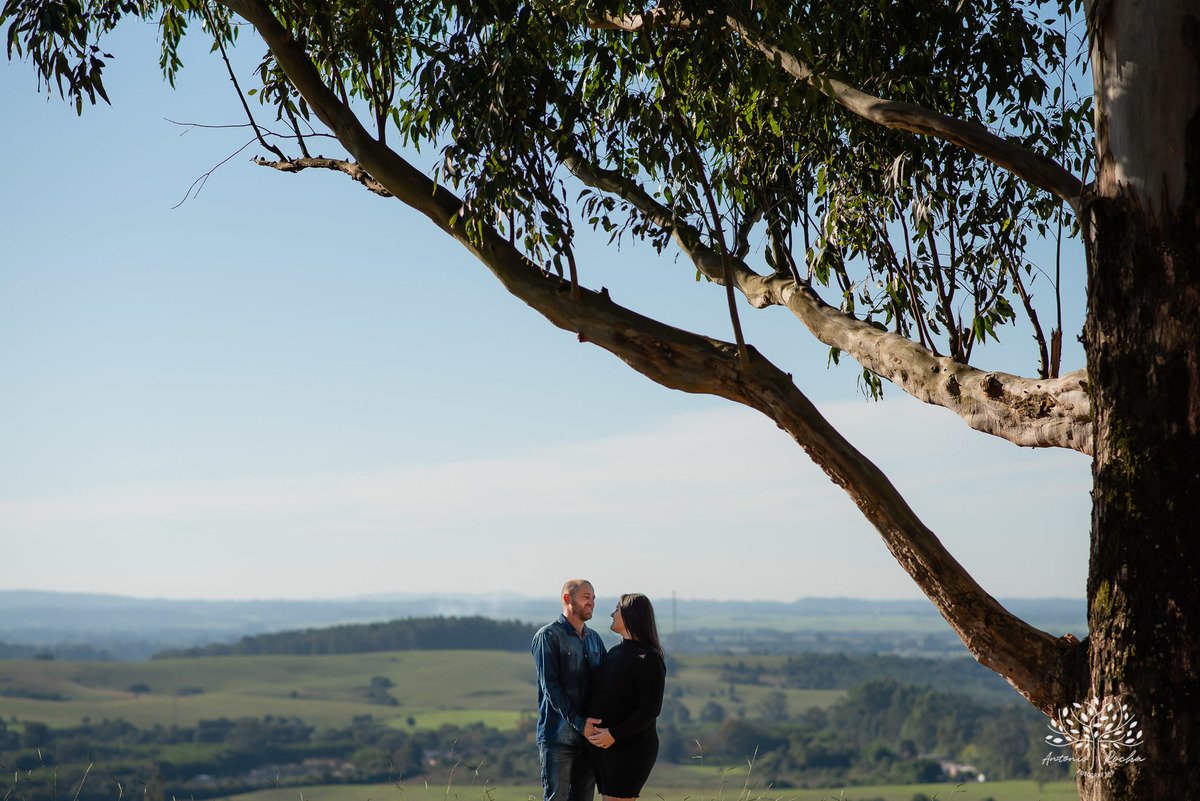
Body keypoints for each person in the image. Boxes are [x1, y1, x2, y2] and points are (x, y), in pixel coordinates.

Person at [584, 593, 667, 801]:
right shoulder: (615, 652)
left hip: (630, 748)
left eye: (617, 610)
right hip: (607, 748)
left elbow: (651, 709)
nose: (612, 614)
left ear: (632, 615)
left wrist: (613, 734)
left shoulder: (649, 658)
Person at [532, 579, 608, 801]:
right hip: (558, 738)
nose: (591, 603)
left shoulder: (595, 639)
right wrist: (579, 722)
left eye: (593, 598)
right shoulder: (548, 637)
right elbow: (551, 688)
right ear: (567, 599)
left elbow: (604, 685)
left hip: (589, 740)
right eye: (586, 597)